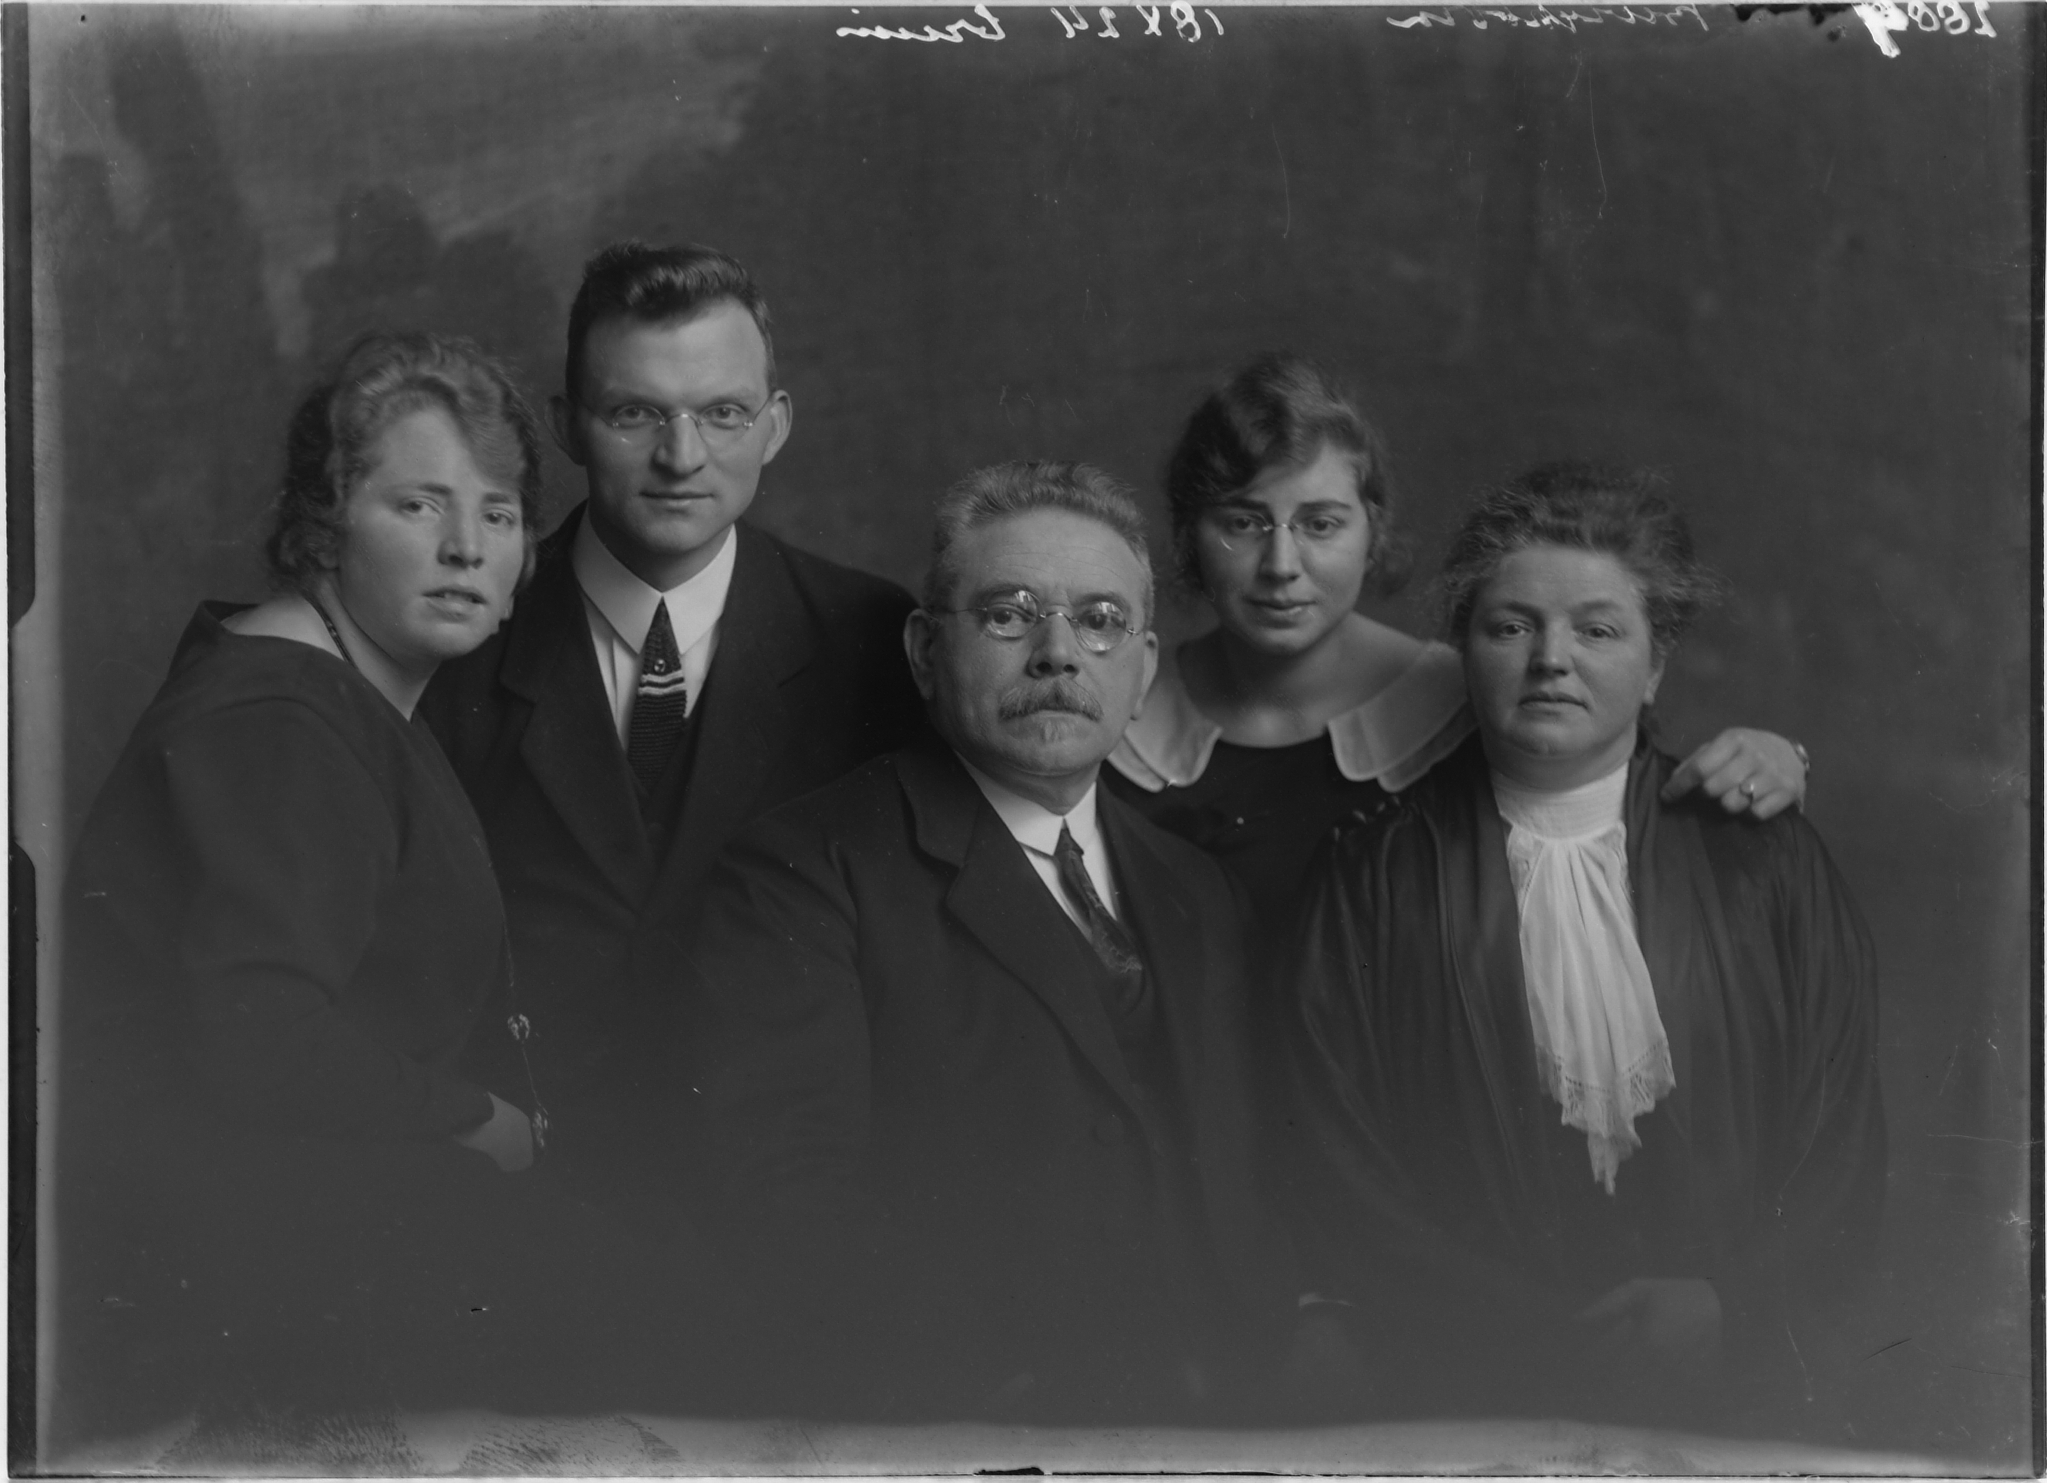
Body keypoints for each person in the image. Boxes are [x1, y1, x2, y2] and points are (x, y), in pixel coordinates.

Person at [54, 332, 694, 1438]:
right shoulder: (281, 715)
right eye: (417, 505)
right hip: (232, 1244)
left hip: (291, 1204)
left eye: (498, 514)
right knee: (675, 1326)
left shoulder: (339, 690)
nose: (465, 548)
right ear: (324, 525)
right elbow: (258, 1034)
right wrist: (476, 1118)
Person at [681, 462, 1318, 1422]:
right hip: (976, 1419)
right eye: (1009, 614)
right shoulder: (802, 874)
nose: (1058, 654)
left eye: (1099, 620)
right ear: (924, 650)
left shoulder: (1199, 889)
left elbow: (1251, 1178)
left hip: (1232, 1418)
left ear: (1143, 668)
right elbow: (786, 1198)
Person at [1280, 463, 1886, 1430]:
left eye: (1597, 630)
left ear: (1655, 664)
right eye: (1510, 626)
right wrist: (1529, 1335)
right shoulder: (1368, 876)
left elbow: (1837, 1137)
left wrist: (1732, 1306)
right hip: (1463, 1389)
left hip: (1729, 1388)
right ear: (1462, 647)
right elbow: (1335, 1159)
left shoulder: (1764, 857)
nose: (1550, 659)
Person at [419, 243, 927, 1211]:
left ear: (775, 425)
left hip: (785, 1206)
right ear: (567, 425)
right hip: (521, 1207)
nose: (681, 456)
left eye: (723, 413)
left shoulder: (870, 638)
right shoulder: (460, 637)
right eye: (635, 413)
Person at [1105, 353, 1810, 935]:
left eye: (1320, 524)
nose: (1282, 566)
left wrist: (1777, 758)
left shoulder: (1473, 694)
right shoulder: (1117, 717)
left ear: (1372, 533)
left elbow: (1624, 797)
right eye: (1242, 522)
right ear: (1190, 536)